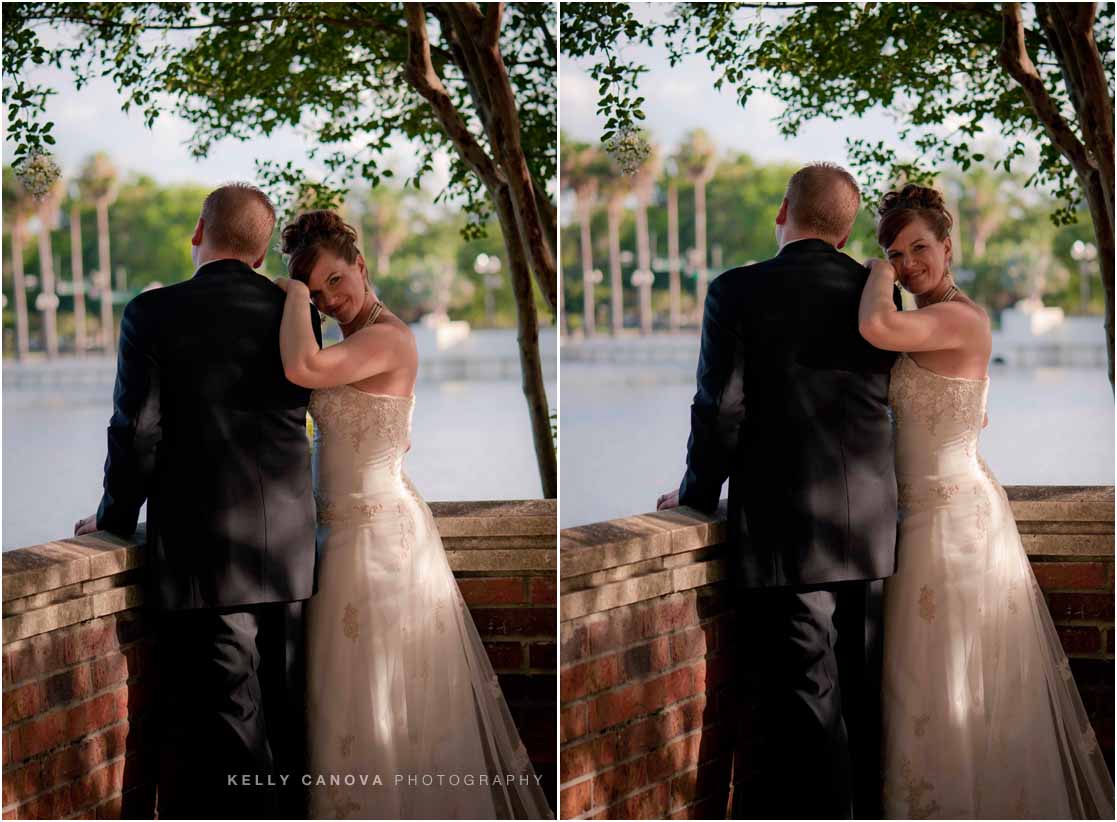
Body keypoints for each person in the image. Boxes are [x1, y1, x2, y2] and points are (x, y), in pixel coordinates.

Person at [273, 210, 551, 820]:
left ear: (362, 266)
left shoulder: (391, 338)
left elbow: (303, 370)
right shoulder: (350, 339)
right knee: (342, 703)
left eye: (336, 281)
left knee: (378, 702)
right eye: (316, 292)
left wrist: (290, 294)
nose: (329, 299)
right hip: (336, 539)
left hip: (379, 542)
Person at [859, 184, 1114, 819]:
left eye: (919, 248)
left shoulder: (963, 318)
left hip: (952, 525)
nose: (909, 262)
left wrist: (875, 272)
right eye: (895, 251)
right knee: (917, 684)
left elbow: (874, 325)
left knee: (945, 683)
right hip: (920, 517)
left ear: (948, 246)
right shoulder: (937, 317)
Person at [658, 163, 901, 818]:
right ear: (846, 230)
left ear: (781, 212)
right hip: (872, 534)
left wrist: (693, 497)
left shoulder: (735, 290)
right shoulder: (872, 293)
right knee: (860, 706)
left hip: (786, 534)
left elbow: (720, 410)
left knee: (806, 717)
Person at [75, 183, 321, 818]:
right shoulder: (292, 310)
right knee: (286, 722)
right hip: (290, 552)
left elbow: (137, 431)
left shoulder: (152, 313)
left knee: (231, 730)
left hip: (205, 552)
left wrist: (112, 520)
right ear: (263, 249)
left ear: (196, 231)